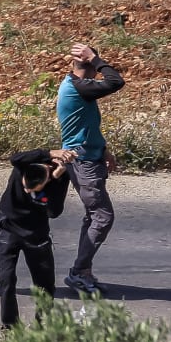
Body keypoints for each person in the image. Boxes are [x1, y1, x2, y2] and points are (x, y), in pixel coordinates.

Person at [56, 42, 123, 296]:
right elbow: (116, 81)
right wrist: (97, 58)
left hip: (88, 158)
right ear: (90, 67)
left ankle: (82, 270)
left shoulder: (77, 85)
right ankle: (78, 271)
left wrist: (103, 148)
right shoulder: (79, 87)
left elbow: (85, 124)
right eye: (95, 66)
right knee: (103, 216)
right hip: (83, 164)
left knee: (93, 215)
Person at [0, 147, 75, 328]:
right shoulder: (22, 164)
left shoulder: (58, 178)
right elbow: (14, 156)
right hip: (8, 227)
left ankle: (41, 325)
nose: (26, 189)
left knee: (45, 284)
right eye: (25, 184)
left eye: (32, 189)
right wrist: (50, 153)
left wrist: (56, 181)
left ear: (45, 180)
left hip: (36, 233)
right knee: (7, 278)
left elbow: (53, 212)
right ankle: (9, 325)